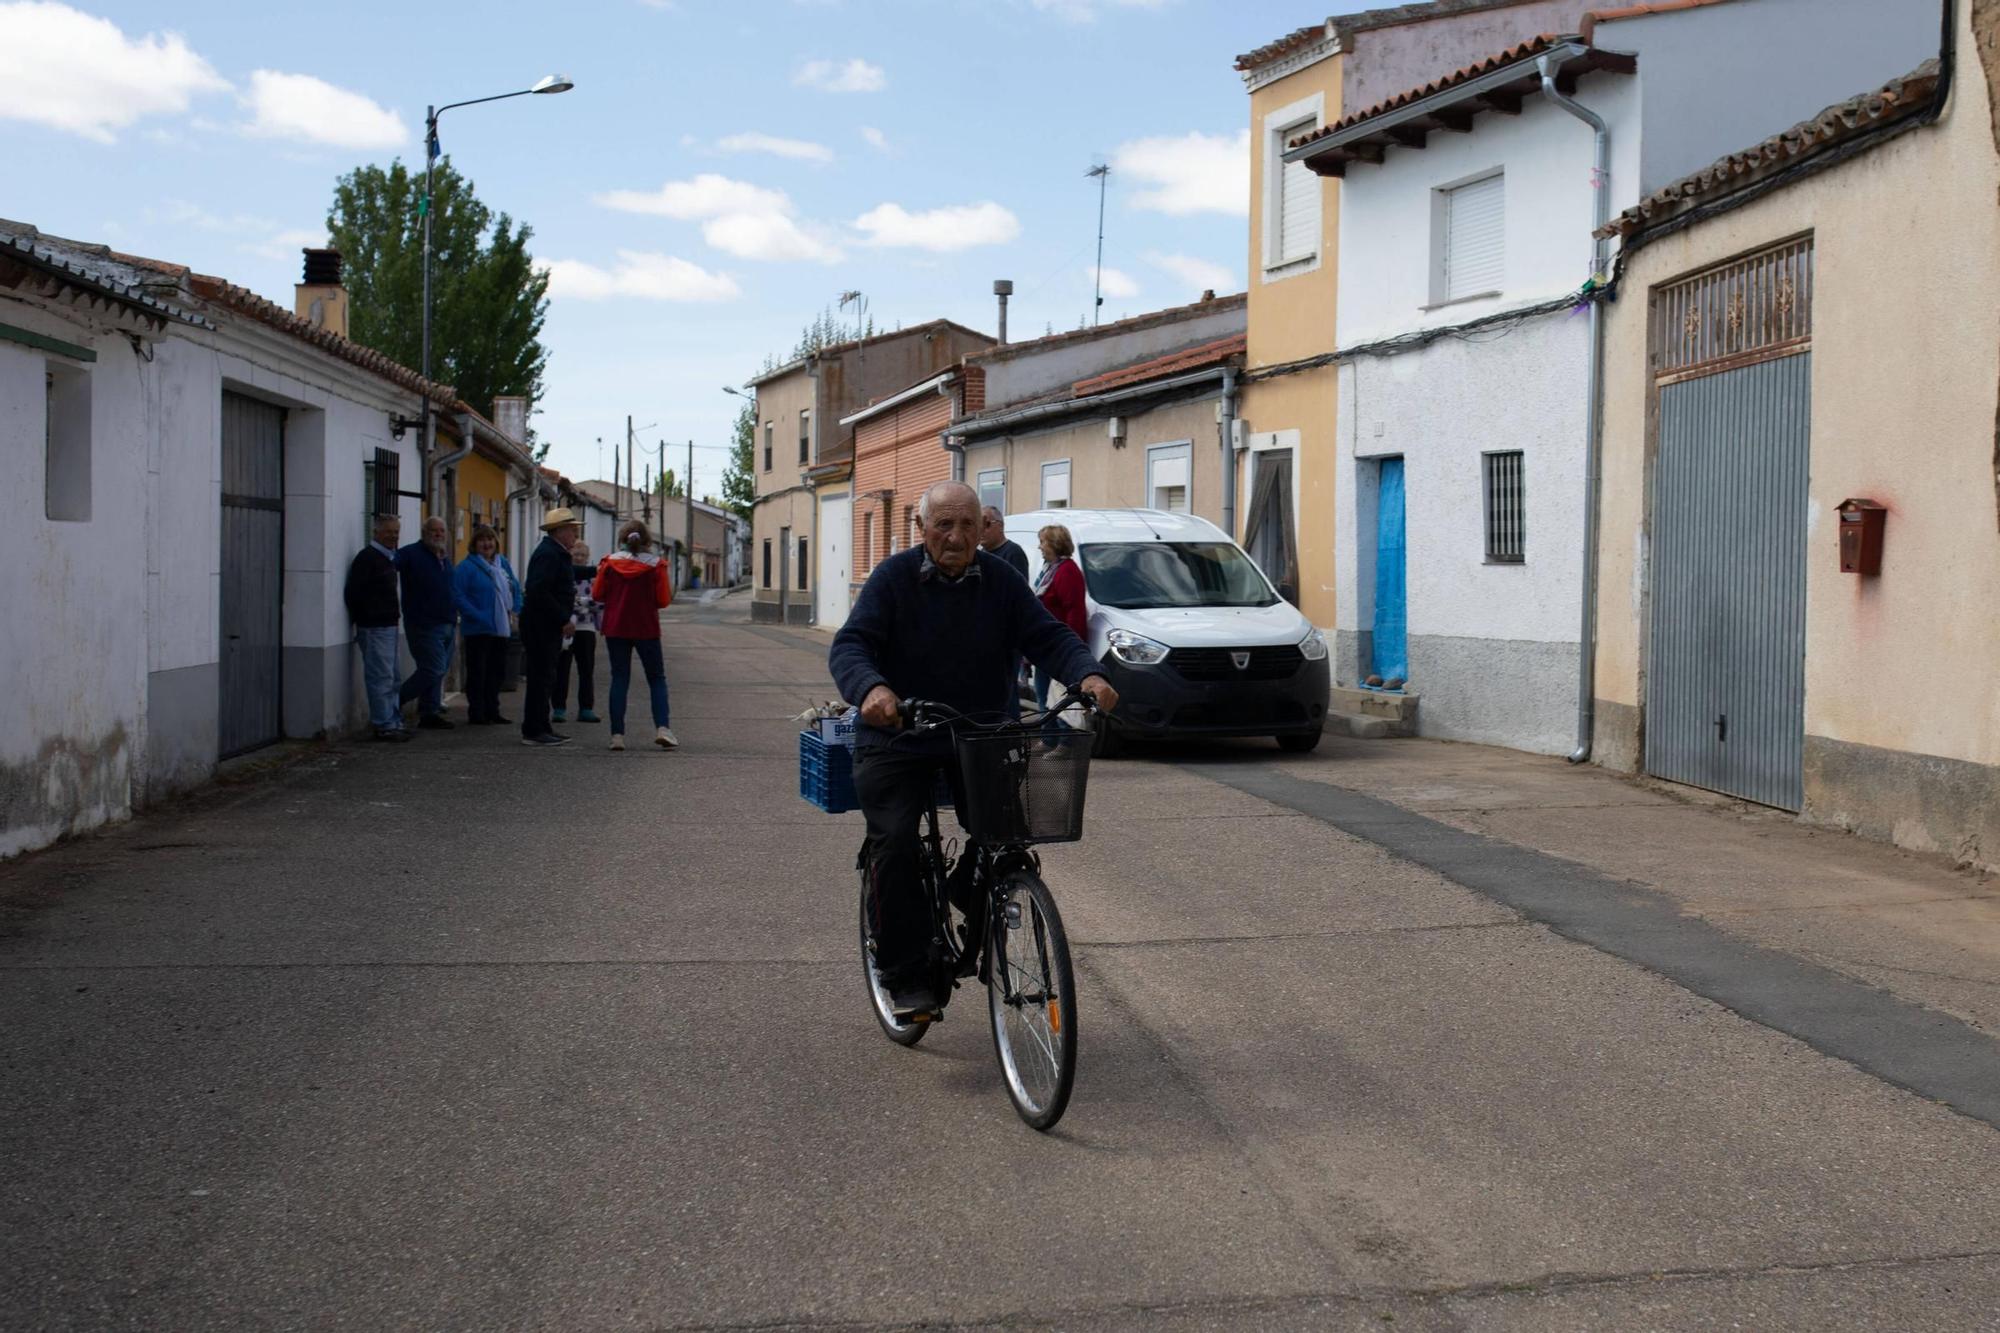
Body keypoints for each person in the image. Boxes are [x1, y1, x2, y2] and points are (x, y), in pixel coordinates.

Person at [830, 480, 1119, 1016]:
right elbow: (852, 644)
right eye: (944, 524)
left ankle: (973, 884)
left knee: (1009, 832)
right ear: (921, 530)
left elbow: (1048, 636)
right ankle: (906, 974)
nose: (957, 536)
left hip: (981, 733)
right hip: (900, 736)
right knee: (894, 841)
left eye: (968, 524)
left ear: (981, 529)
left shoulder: (1002, 582)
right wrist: (871, 689)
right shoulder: (893, 580)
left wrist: (1088, 673)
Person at [592, 519, 677, 751]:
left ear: (622, 539)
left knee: (620, 678)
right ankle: (663, 728)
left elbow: (598, 594)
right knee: (656, 678)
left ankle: (617, 736)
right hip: (646, 628)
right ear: (647, 540)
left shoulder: (609, 564)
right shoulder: (656, 566)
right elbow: (663, 600)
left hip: (616, 627)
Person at [344, 513, 410, 743]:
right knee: (381, 677)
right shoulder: (368, 558)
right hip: (375, 627)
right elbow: (355, 593)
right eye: (389, 531)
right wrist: (367, 617)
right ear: (376, 533)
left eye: (396, 532)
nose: (394, 536)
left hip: (389, 625)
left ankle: (393, 720)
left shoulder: (388, 558)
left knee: (392, 677)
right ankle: (384, 725)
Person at [520, 509, 581, 747]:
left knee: (545, 677)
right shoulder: (549, 554)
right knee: (540, 678)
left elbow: (564, 578)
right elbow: (538, 590)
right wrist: (562, 618)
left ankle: (541, 726)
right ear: (559, 531)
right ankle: (534, 730)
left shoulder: (555, 553)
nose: (575, 534)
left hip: (545, 625)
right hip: (541, 626)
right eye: (572, 529)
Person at [394, 516, 458, 729]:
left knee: (438, 669)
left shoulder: (444, 558)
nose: (439, 534)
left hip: (447, 622)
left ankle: (429, 712)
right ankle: (395, 701)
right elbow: (388, 566)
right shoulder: (410, 554)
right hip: (423, 624)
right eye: (434, 530)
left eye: (442, 531)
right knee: (433, 668)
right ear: (424, 533)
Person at [454, 524, 520, 726]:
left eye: (490, 539)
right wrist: (476, 615)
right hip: (478, 628)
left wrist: (516, 608)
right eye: (482, 540)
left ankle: (493, 710)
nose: (487, 543)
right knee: (478, 672)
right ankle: (477, 712)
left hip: (501, 628)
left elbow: (515, 587)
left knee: (497, 672)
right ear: (474, 544)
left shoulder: (503, 564)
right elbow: (458, 595)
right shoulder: (466, 567)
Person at [1033, 524, 1089, 743]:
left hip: (1059, 647)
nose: (1040, 547)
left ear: (1055, 544)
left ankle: (1063, 743)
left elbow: (1074, 611)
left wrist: (1072, 649)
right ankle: (1048, 741)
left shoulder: (1067, 571)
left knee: (1059, 698)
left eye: (1043, 542)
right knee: (1043, 696)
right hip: (1044, 646)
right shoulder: (1051, 569)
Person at [553, 541, 600, 725]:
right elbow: (561, 599)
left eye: (582, 555)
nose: (579, 558)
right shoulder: (564, 577)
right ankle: (559, 708)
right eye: (575, 555)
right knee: (562, 670)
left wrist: (576, 603)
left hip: (586, 629)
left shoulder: (593, 579)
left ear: (587, 557)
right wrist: (584, 604)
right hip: (565, 629)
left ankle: (586, 708)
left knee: (586, 670)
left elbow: (600, 603)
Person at [979, 505, 1029, 583]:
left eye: (987, 524)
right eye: (978, 525)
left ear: (1000, 526)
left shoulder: (1013, 553)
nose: (981, 530)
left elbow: (1020, 590)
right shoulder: (981, 553)